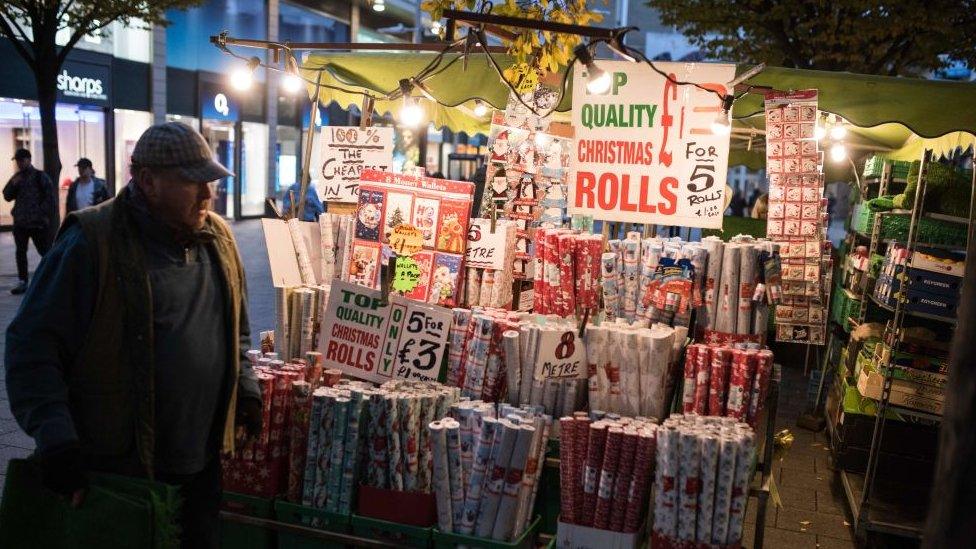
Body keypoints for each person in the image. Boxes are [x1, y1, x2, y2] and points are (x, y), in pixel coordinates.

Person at [4, 122, 263, 548]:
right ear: (147, 180)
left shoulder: (218, 238)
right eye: (192, 182)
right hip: (121, 471)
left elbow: (237, 331)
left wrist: (246, 388)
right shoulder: (91, 241)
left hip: (202, 467)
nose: (207, 194)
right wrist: (54, 435)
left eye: (210, 181)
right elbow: (32, 344)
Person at [3, 148, 57, 295]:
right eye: (17, 161)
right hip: (20, 223)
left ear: (28, 159)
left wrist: (43, 216)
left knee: (45, 251)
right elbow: (7, 196)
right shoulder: (17, 178)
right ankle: (23, 280)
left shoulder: (40, 177)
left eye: (21, 160)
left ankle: (53, 277)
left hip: (37, 224)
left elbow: (50, 198)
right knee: (20, 252)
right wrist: (13, 184)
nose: (19, 163)